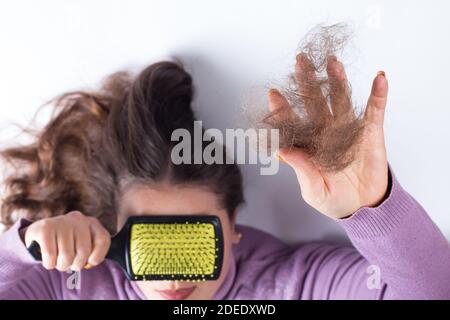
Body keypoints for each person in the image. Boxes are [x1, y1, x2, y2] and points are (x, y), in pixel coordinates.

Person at [0, 57, 449, 300]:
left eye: (192, 241)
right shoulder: (69, 286)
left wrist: (375, 208)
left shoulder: (296, 286)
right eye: (152, 242)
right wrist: (23, 247)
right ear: (116, 228)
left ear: (233, 229)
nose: (172, 278)